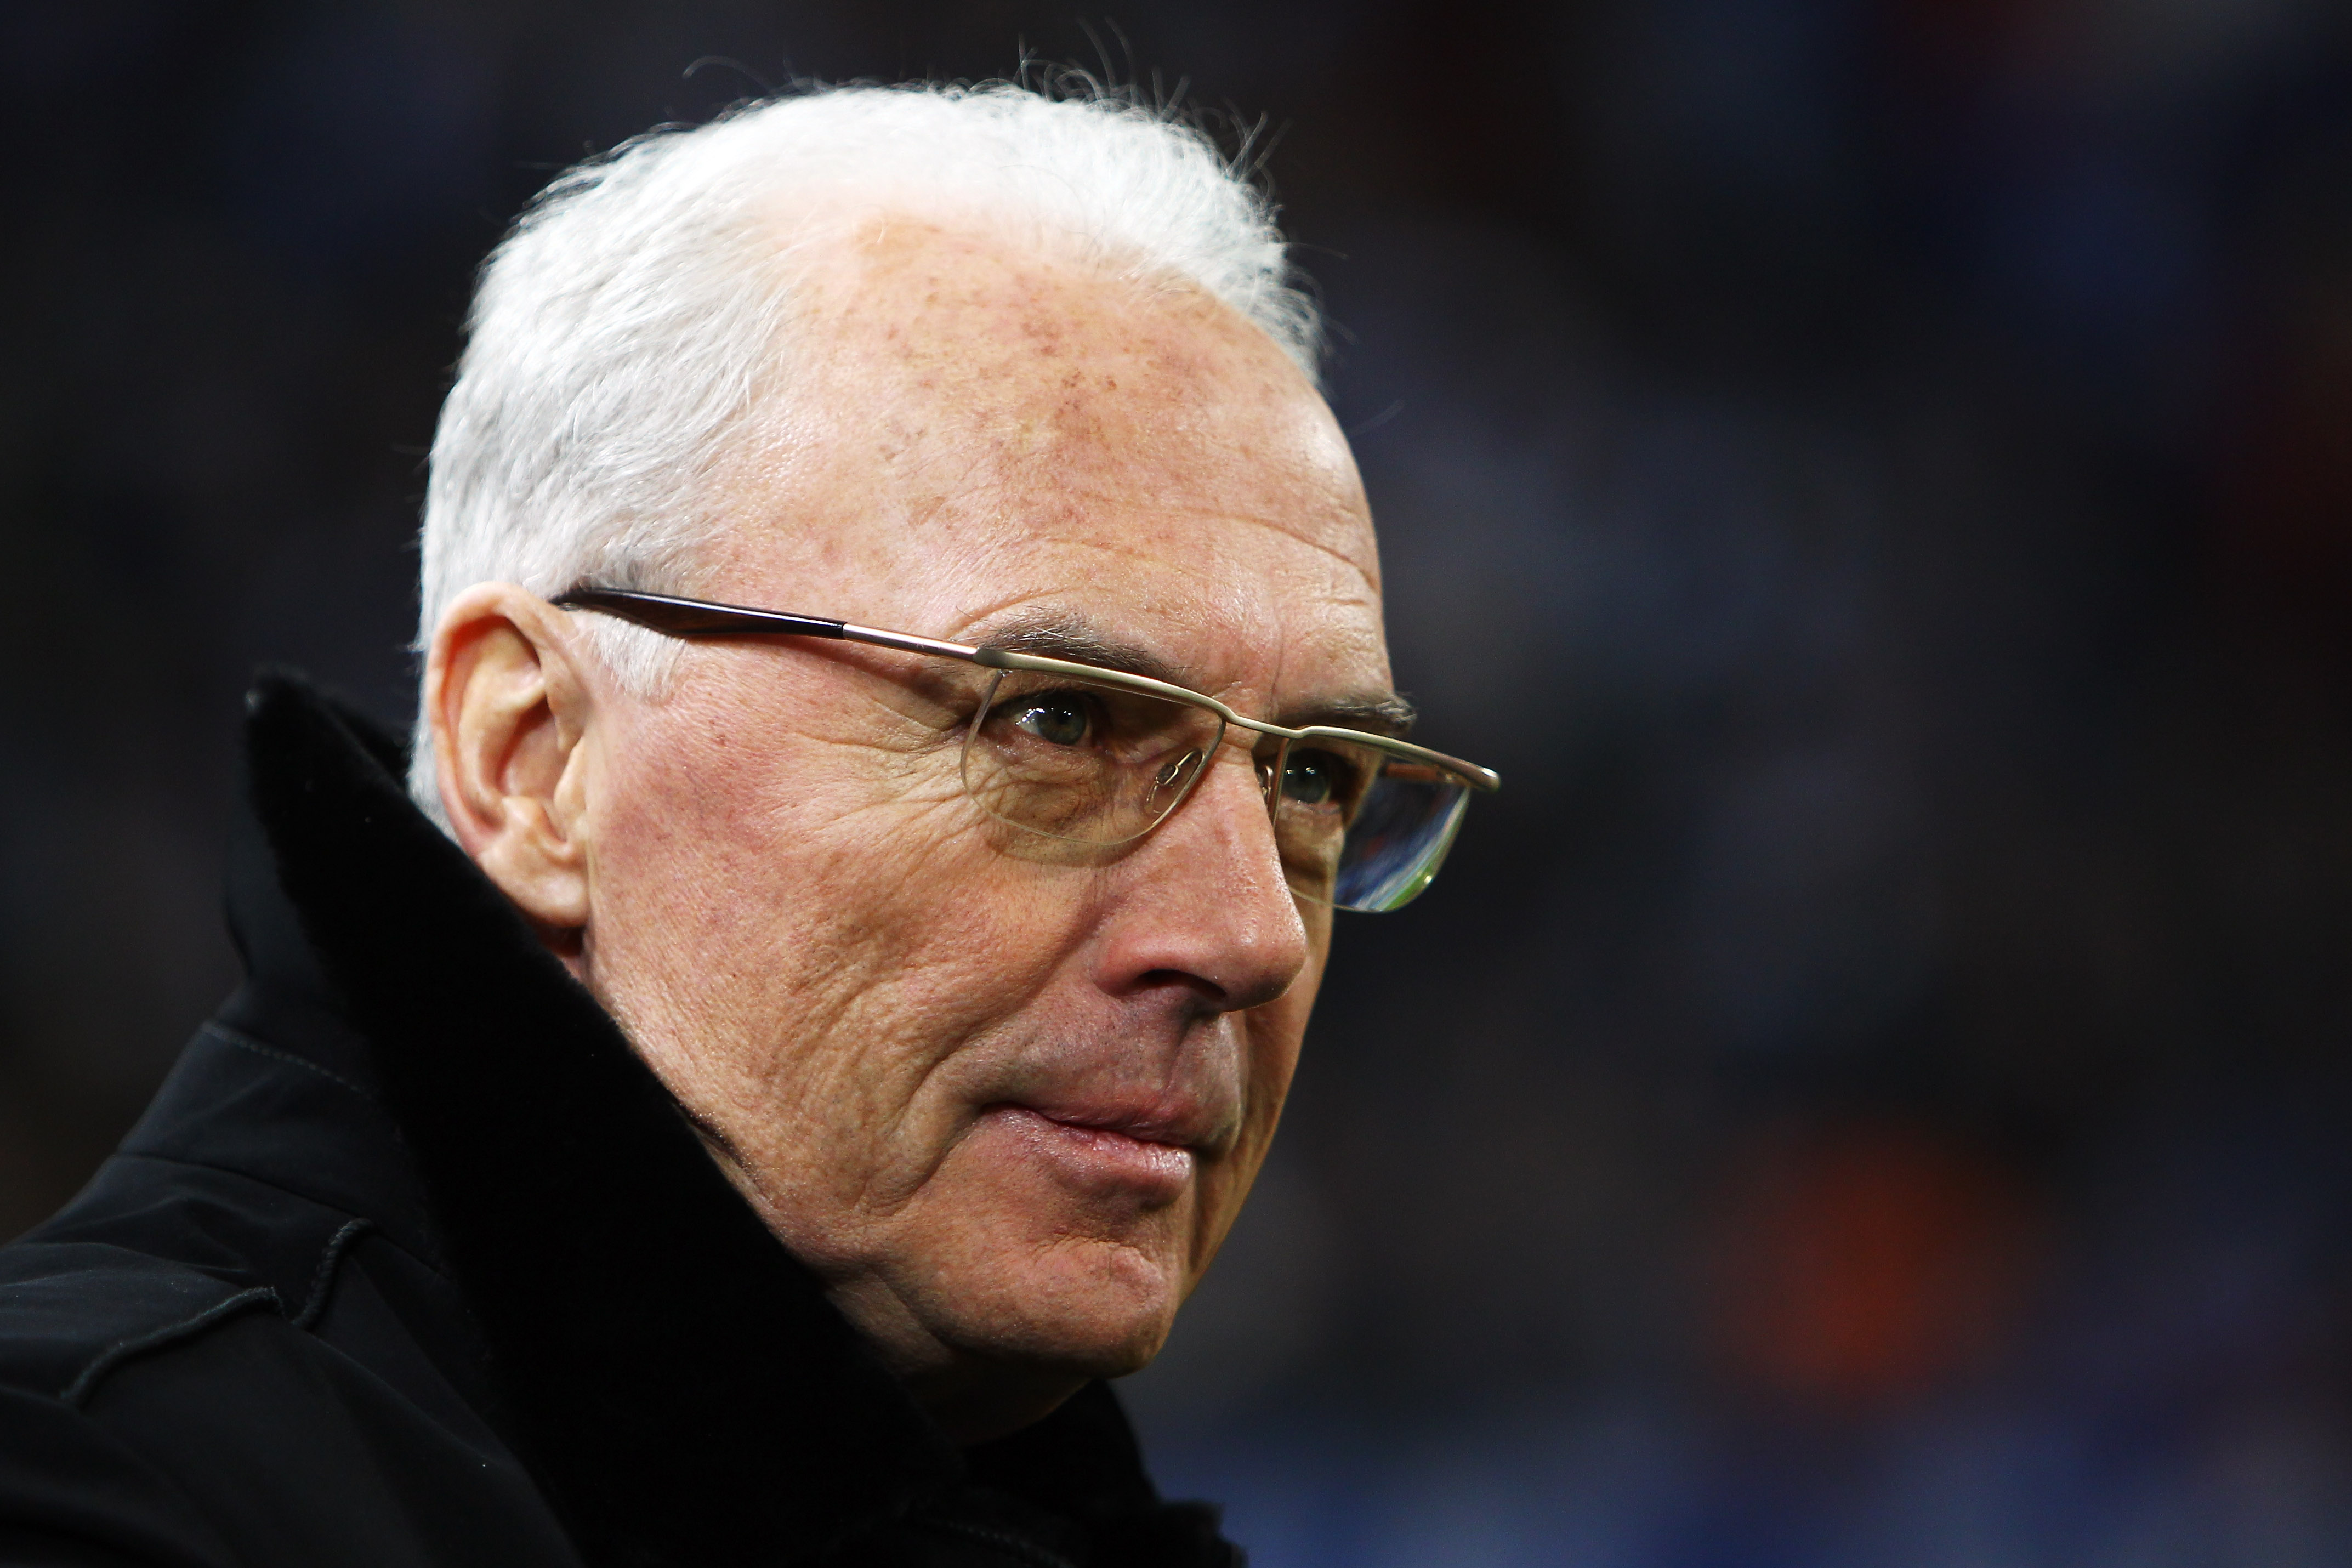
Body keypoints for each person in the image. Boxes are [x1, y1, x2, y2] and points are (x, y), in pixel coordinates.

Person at [0, 81, 1497, 1567]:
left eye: (1311, 776)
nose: (1243, 932)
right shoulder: (90, 1494)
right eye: (1056, 718)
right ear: (533, 757)